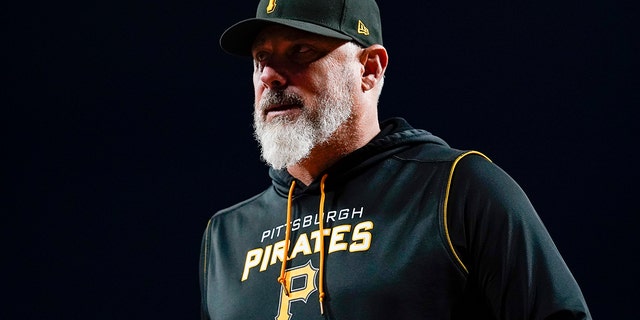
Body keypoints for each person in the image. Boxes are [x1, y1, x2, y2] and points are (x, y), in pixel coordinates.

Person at [200, 0, 591, 319]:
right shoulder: (225, 235)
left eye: (300, 51)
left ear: (369, 69)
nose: (270, 75)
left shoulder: (458, 188)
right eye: (260, 59)